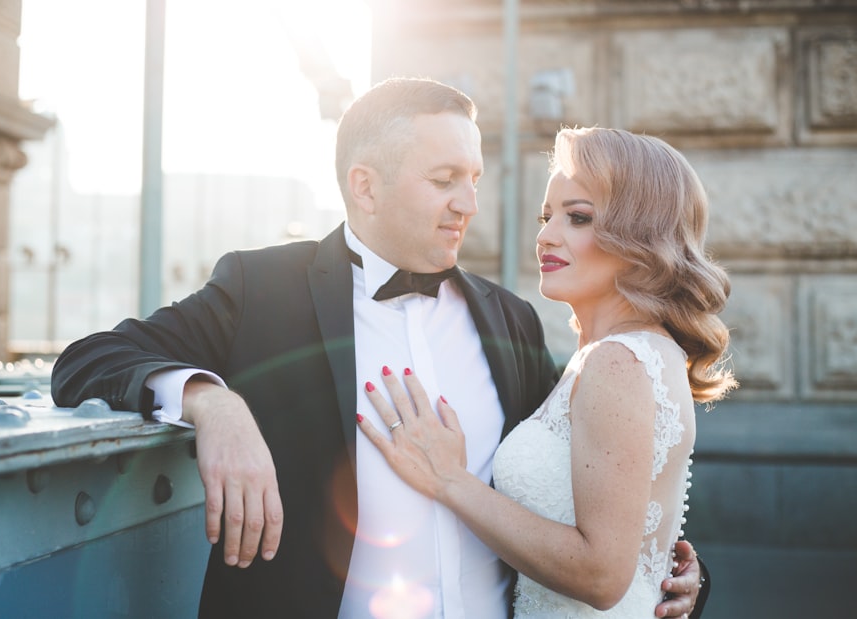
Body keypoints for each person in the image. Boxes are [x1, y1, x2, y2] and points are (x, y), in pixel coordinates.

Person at [51, 80, 705, 618]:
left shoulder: (512, 319)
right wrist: (211, 401)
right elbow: (89, 360)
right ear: (364, 186)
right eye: (446, 178)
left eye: (474, 178)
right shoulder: (263, 290)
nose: (469, 204)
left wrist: (676, 574)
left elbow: (593, 485)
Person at [358, 126, 736, 617]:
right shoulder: (613, 354)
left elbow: (601, 575)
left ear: (640, 234)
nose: (545, 235)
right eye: (547, 215)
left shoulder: (617, 361)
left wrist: (450, 480)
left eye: (577, 217)